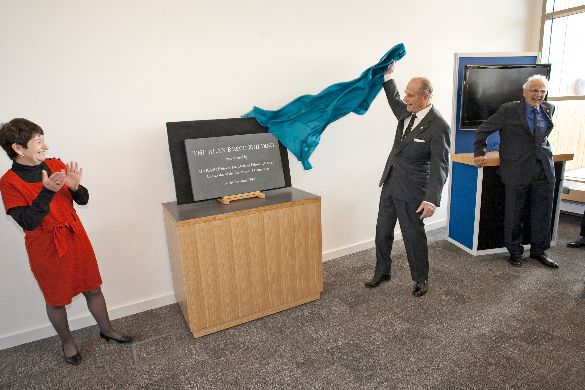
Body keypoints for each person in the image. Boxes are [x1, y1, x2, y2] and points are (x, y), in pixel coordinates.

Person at [0, 118, 133, 366]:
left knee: (92, 286)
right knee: (56, 298)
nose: (45, 146)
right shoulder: (8, 183)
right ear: (18, 148)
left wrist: (75, 187)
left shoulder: (56, 164)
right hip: (45, 246)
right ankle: (67, 342)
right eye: (38, 141)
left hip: (75, 236)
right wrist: (47, 191)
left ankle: (106, 329)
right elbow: (27, 222)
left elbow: (81, 200)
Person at [365, 62, 451, 297]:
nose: (405, 98)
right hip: (391, 182)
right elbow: (394, 99)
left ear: (426, 96)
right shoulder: (406, 111)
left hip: (413, 190)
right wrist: (387, 76)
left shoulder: (439, 126)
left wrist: (432, 200)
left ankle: (420, 279)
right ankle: (382, 271)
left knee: (413, 236)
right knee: (382, 231)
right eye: (405, 93)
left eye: (411, 95)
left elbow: (440, 166)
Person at [474, 75, 559, 269]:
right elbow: (483, 129)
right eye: (534, 90)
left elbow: (541, 136)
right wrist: (480, 152)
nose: (538, 95)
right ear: (524, 92)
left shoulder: (549, 108)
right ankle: (515, 251)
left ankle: (539, 251)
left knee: (543, 212)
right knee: (514, 213)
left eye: (542, 91)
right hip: (517, 169)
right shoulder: (509, 110)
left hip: (544, 168)